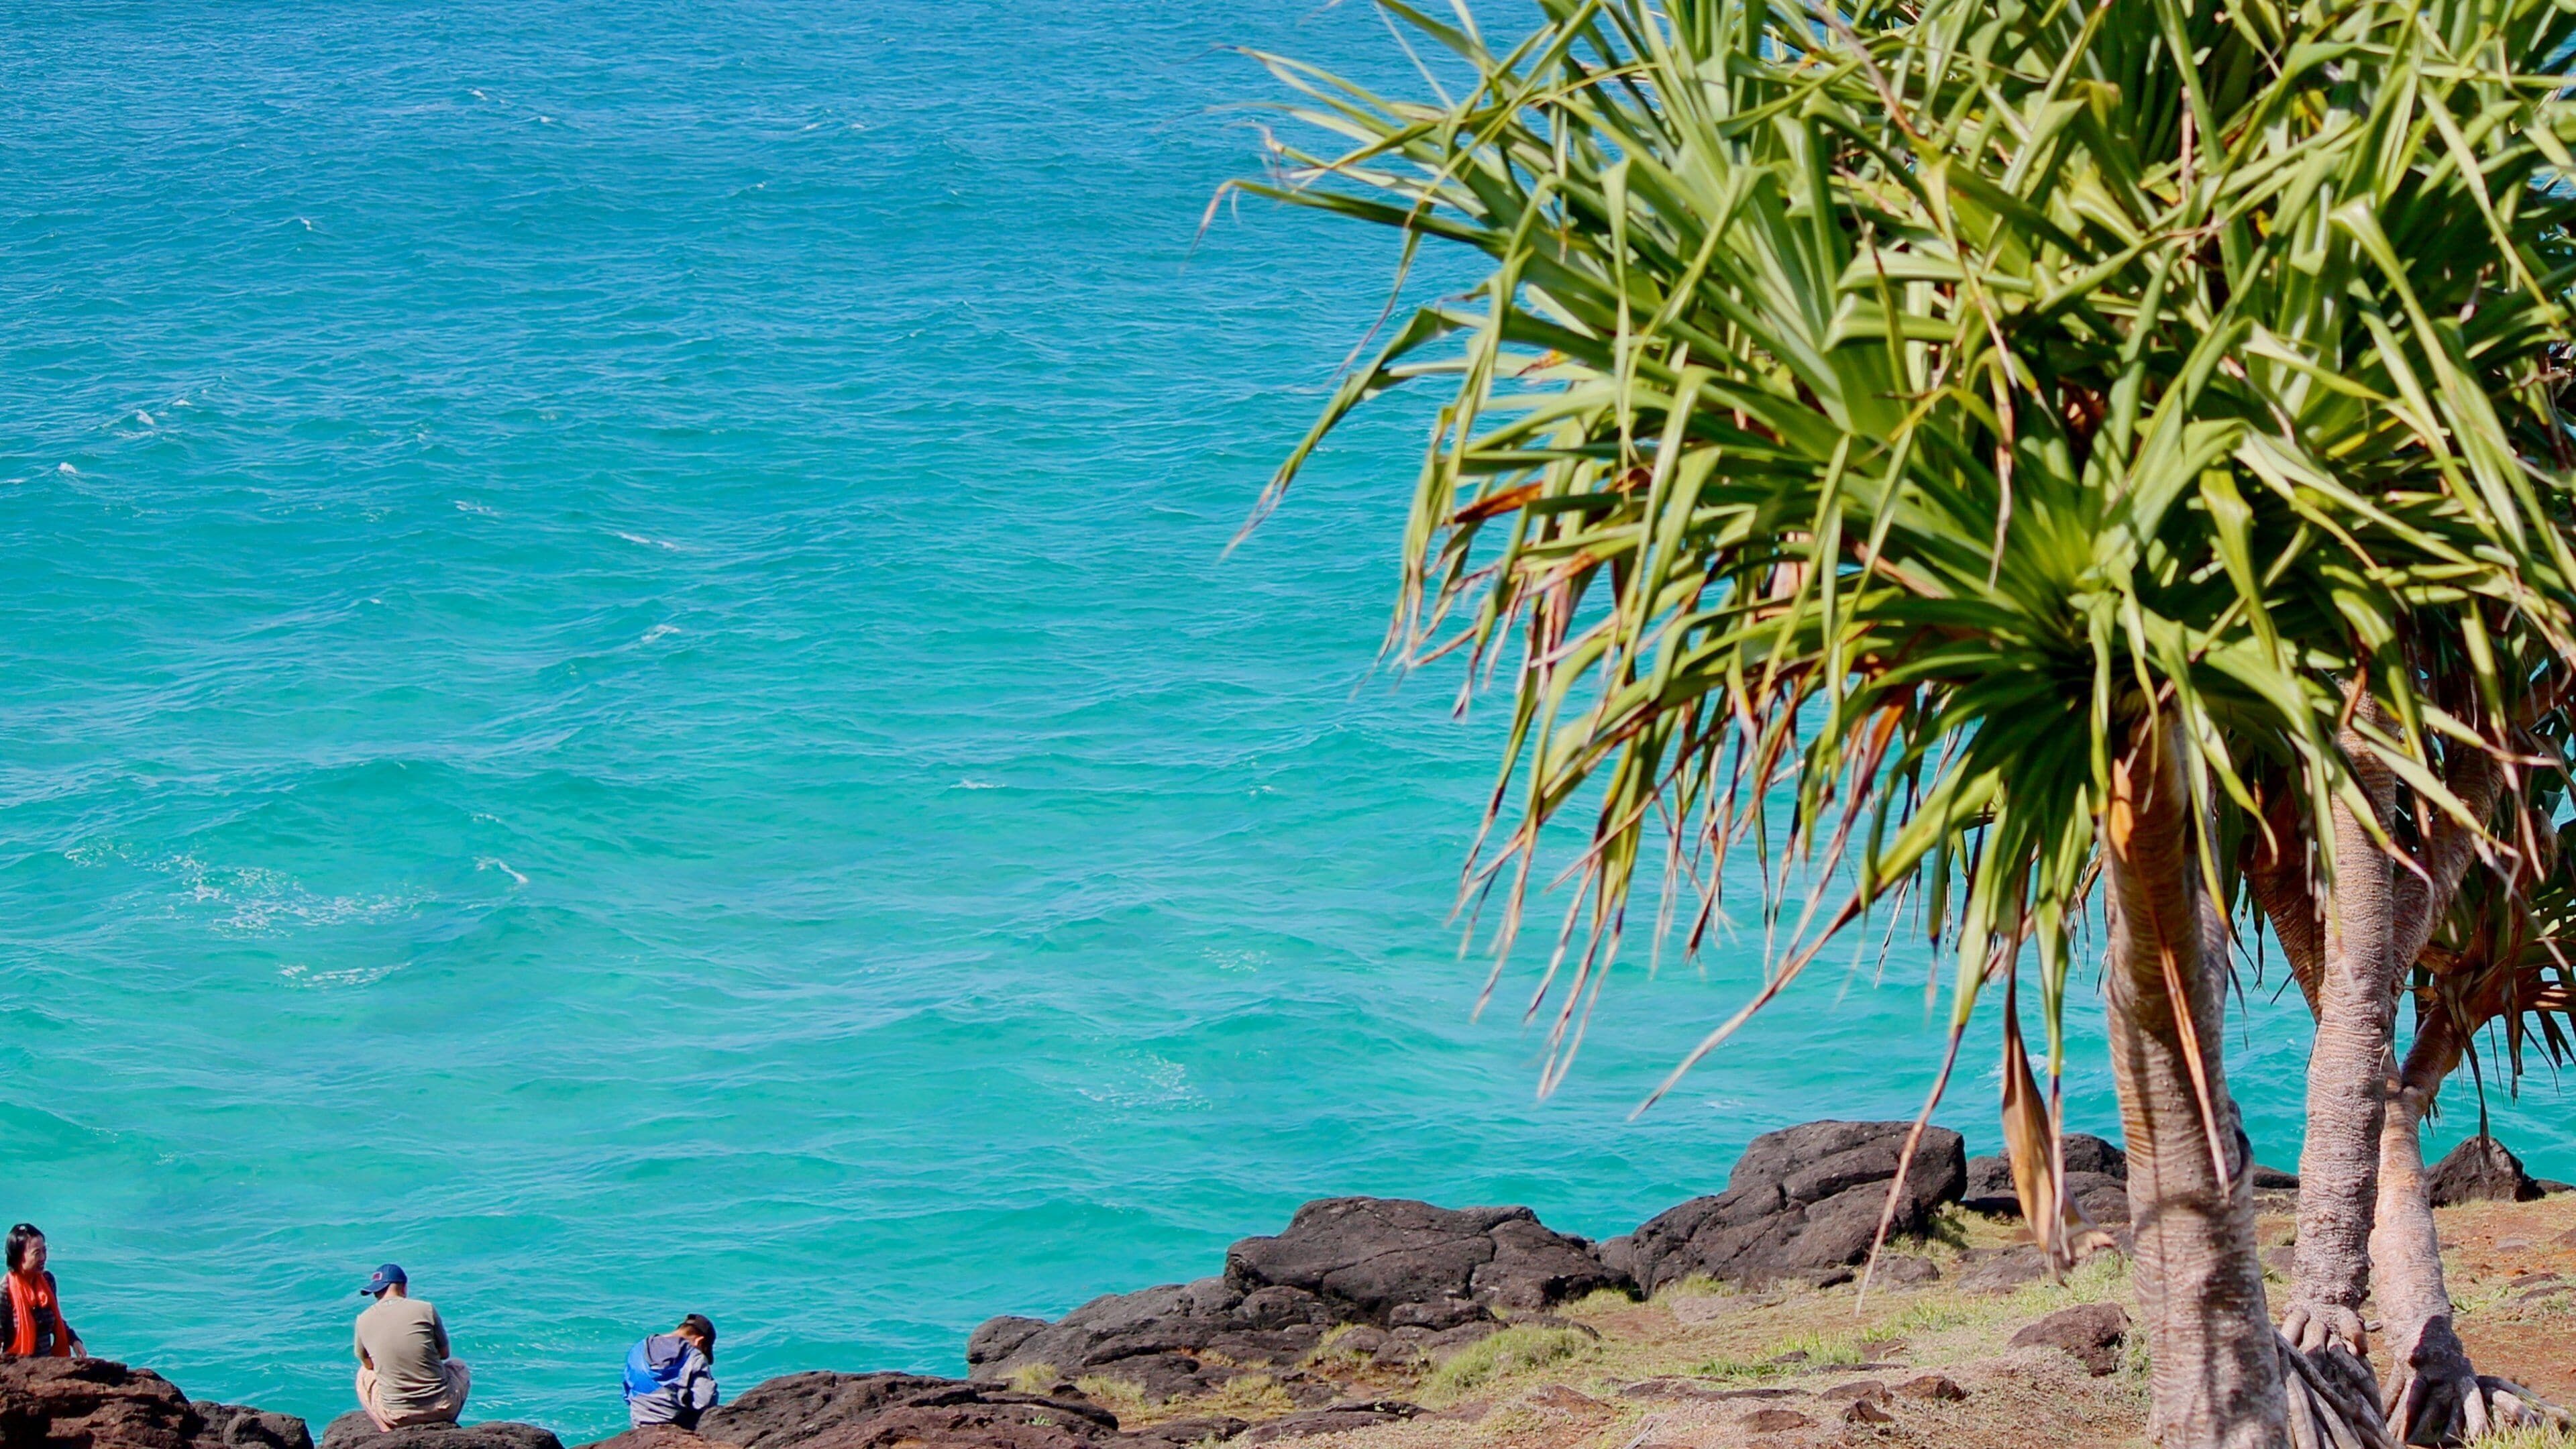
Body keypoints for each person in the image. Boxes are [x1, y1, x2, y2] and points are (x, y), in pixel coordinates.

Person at [353, 1264, 470, 1430]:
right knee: (459, 1365)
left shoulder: (363, 1319)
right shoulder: (425, 1309)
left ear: (377, 1292)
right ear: (404, 1287)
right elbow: (445, 1354)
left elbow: (368, 1365)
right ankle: (444, 1422)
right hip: (444, 1409)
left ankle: (385, 1429)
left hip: (397, 1417)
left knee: (363, 1374)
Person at [623, 1313, 718, 1430]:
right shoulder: (694, 1356)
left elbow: (627, 1394)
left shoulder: (638, 1349)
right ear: (699, 1341)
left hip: (639, 1424)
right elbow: (704, 1402)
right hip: (677, 1428)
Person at [0, 1224, 83, 1358]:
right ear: (19, 1257)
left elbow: (57, 1320)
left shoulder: (48, 1281)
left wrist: (74, 1340)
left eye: (44, 1251)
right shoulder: (5, 1289)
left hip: (46, 1364)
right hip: (17, 1365)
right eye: (37, 1253)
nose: (43, 1258)